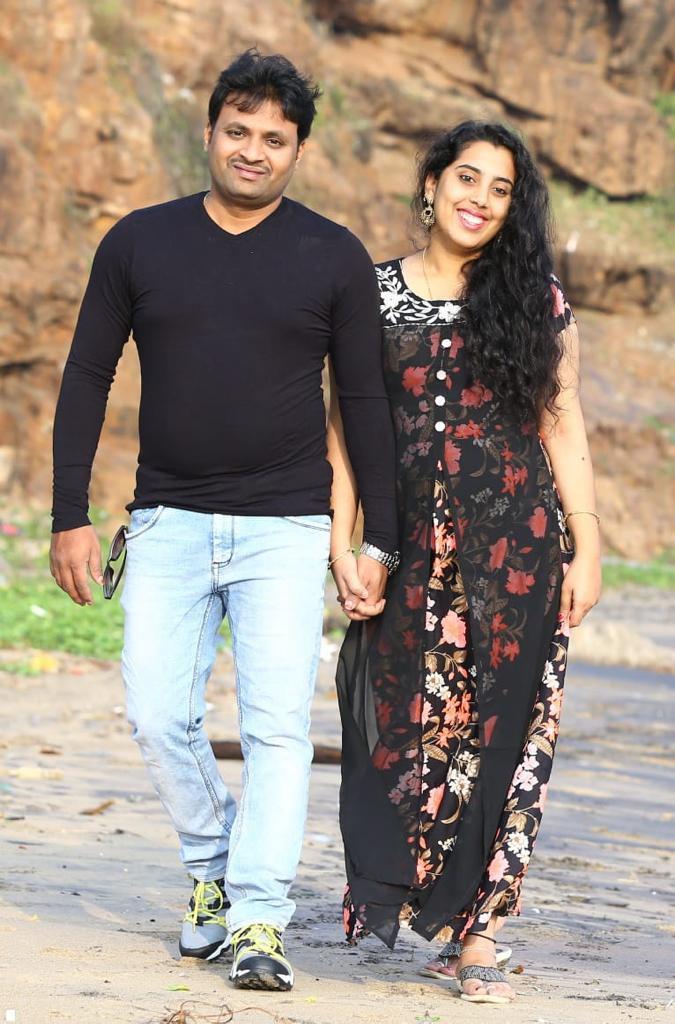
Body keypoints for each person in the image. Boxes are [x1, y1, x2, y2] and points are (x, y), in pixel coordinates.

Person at [49, 48, 398, 992]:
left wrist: (377, 537)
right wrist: (69, 513)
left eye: (274, 139)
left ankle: (256, 918)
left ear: (298, 151)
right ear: (209, 132)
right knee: (156, 714)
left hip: (286, 528)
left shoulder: (331, 254)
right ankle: (212, 864)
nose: (253, 150)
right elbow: (87, 375)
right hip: (165, 522)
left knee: (278, 730)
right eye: (237, 131)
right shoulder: (138, 242)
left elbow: (364, 402)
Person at [327, 121, 601, 1005]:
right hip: (406, 552)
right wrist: (343, 543)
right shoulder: (370, 293)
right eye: (466, 178)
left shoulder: (532, 299)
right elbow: (344, 431)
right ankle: (407, 891)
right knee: (400, 720)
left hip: (518, 552)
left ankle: (478, 931)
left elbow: (560, 420)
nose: (478, 199)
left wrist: (587, 541)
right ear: (431, 184)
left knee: (506, 733)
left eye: (499, 188)